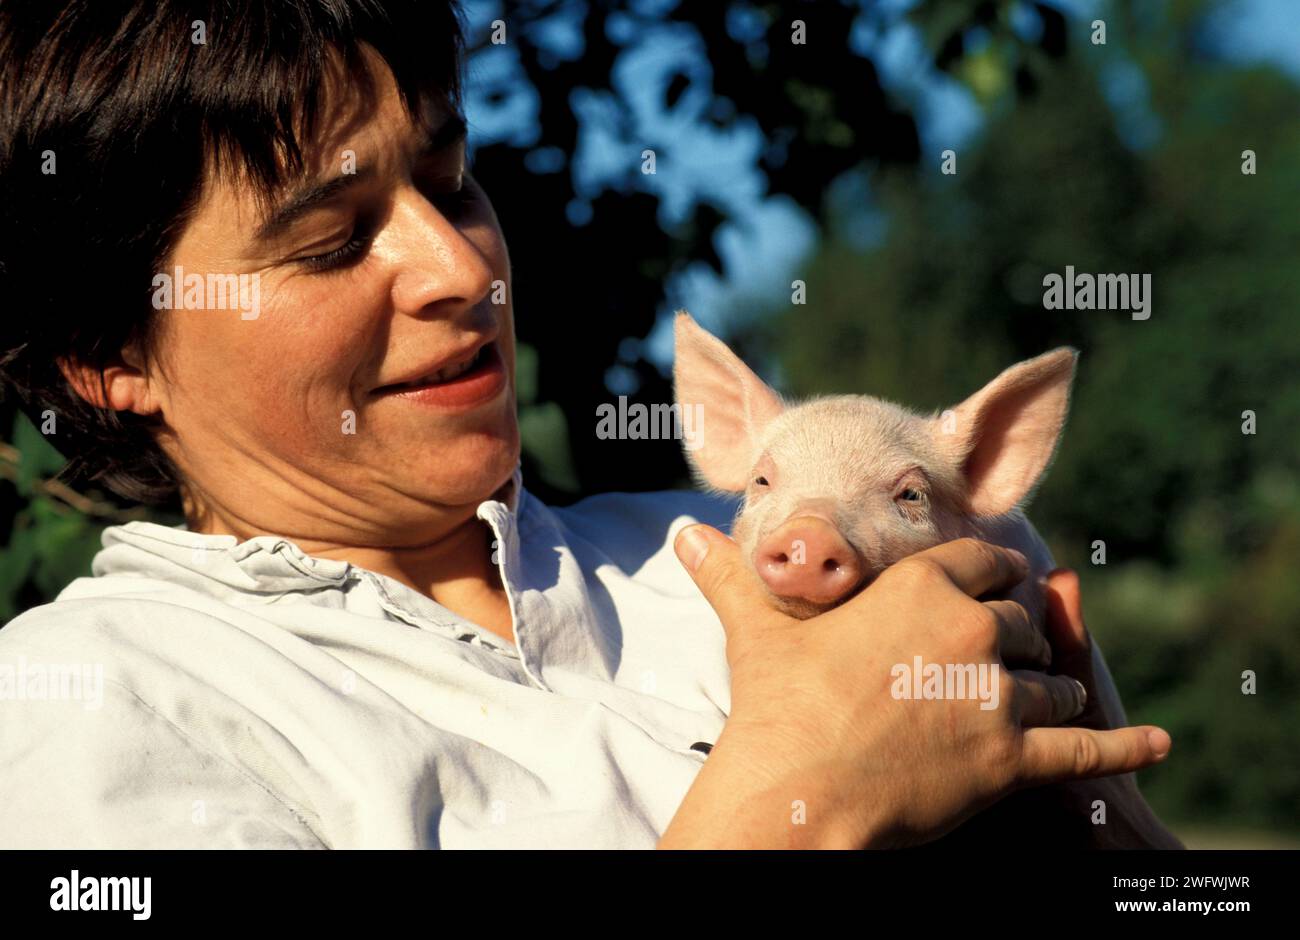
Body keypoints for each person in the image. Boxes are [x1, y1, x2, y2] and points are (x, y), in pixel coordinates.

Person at [0, 0, 1179, 849]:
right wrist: (809, 791)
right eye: (330, 240)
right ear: (106, 359)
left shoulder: (755, 553)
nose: (459, 264)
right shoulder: (92, 710)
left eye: (452, 181)